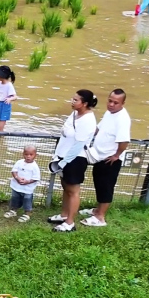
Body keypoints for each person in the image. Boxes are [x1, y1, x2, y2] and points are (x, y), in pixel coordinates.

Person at [48, 89, 98, 232]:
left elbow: (78, 145)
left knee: (73, 190)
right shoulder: (75, 113)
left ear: (85, 103)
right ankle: (64, 215)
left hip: (75, 159)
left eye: (76, 100)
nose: (72, 101)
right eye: (73, 99)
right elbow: (66, 130)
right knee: (65, 186)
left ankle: (70, 223)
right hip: (63, 155)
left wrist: (63, 163)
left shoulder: (88, 120)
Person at [81, 88, 131, 228]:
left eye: (116, 102)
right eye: (110, 101)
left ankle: (100, 217)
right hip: (99, 155)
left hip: (110, 159)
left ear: (123, 103)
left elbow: (124, 141)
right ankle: (97, 210)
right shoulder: (109, 113)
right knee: (99, 184)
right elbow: (98, 129)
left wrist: (116, 155)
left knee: (106, 187)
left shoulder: (122, 119)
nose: (111, 104)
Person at [4, 145, 40, 223]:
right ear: (23, 154)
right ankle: (13, 210)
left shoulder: (35, 166)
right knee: (15, 198)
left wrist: (27, 181)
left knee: (27, 200)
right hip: (16, 186)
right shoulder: (19, 162)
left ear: (35, 155)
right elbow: (14, 171)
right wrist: (17, 178)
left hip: (27, 189)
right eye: (26, 154)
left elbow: (36, 178)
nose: (28, 156)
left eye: (31, 155)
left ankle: (27, 213)